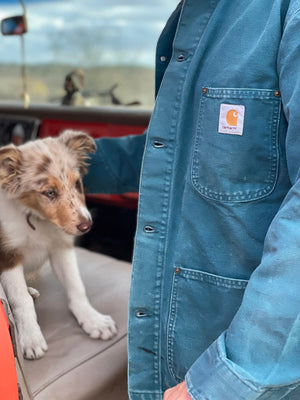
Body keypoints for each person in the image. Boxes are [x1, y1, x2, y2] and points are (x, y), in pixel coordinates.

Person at [84, 1, 300, 399]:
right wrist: (60, 167)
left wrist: (226, 381)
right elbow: (176, 152)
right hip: (180, 356)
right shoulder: (189, 19)